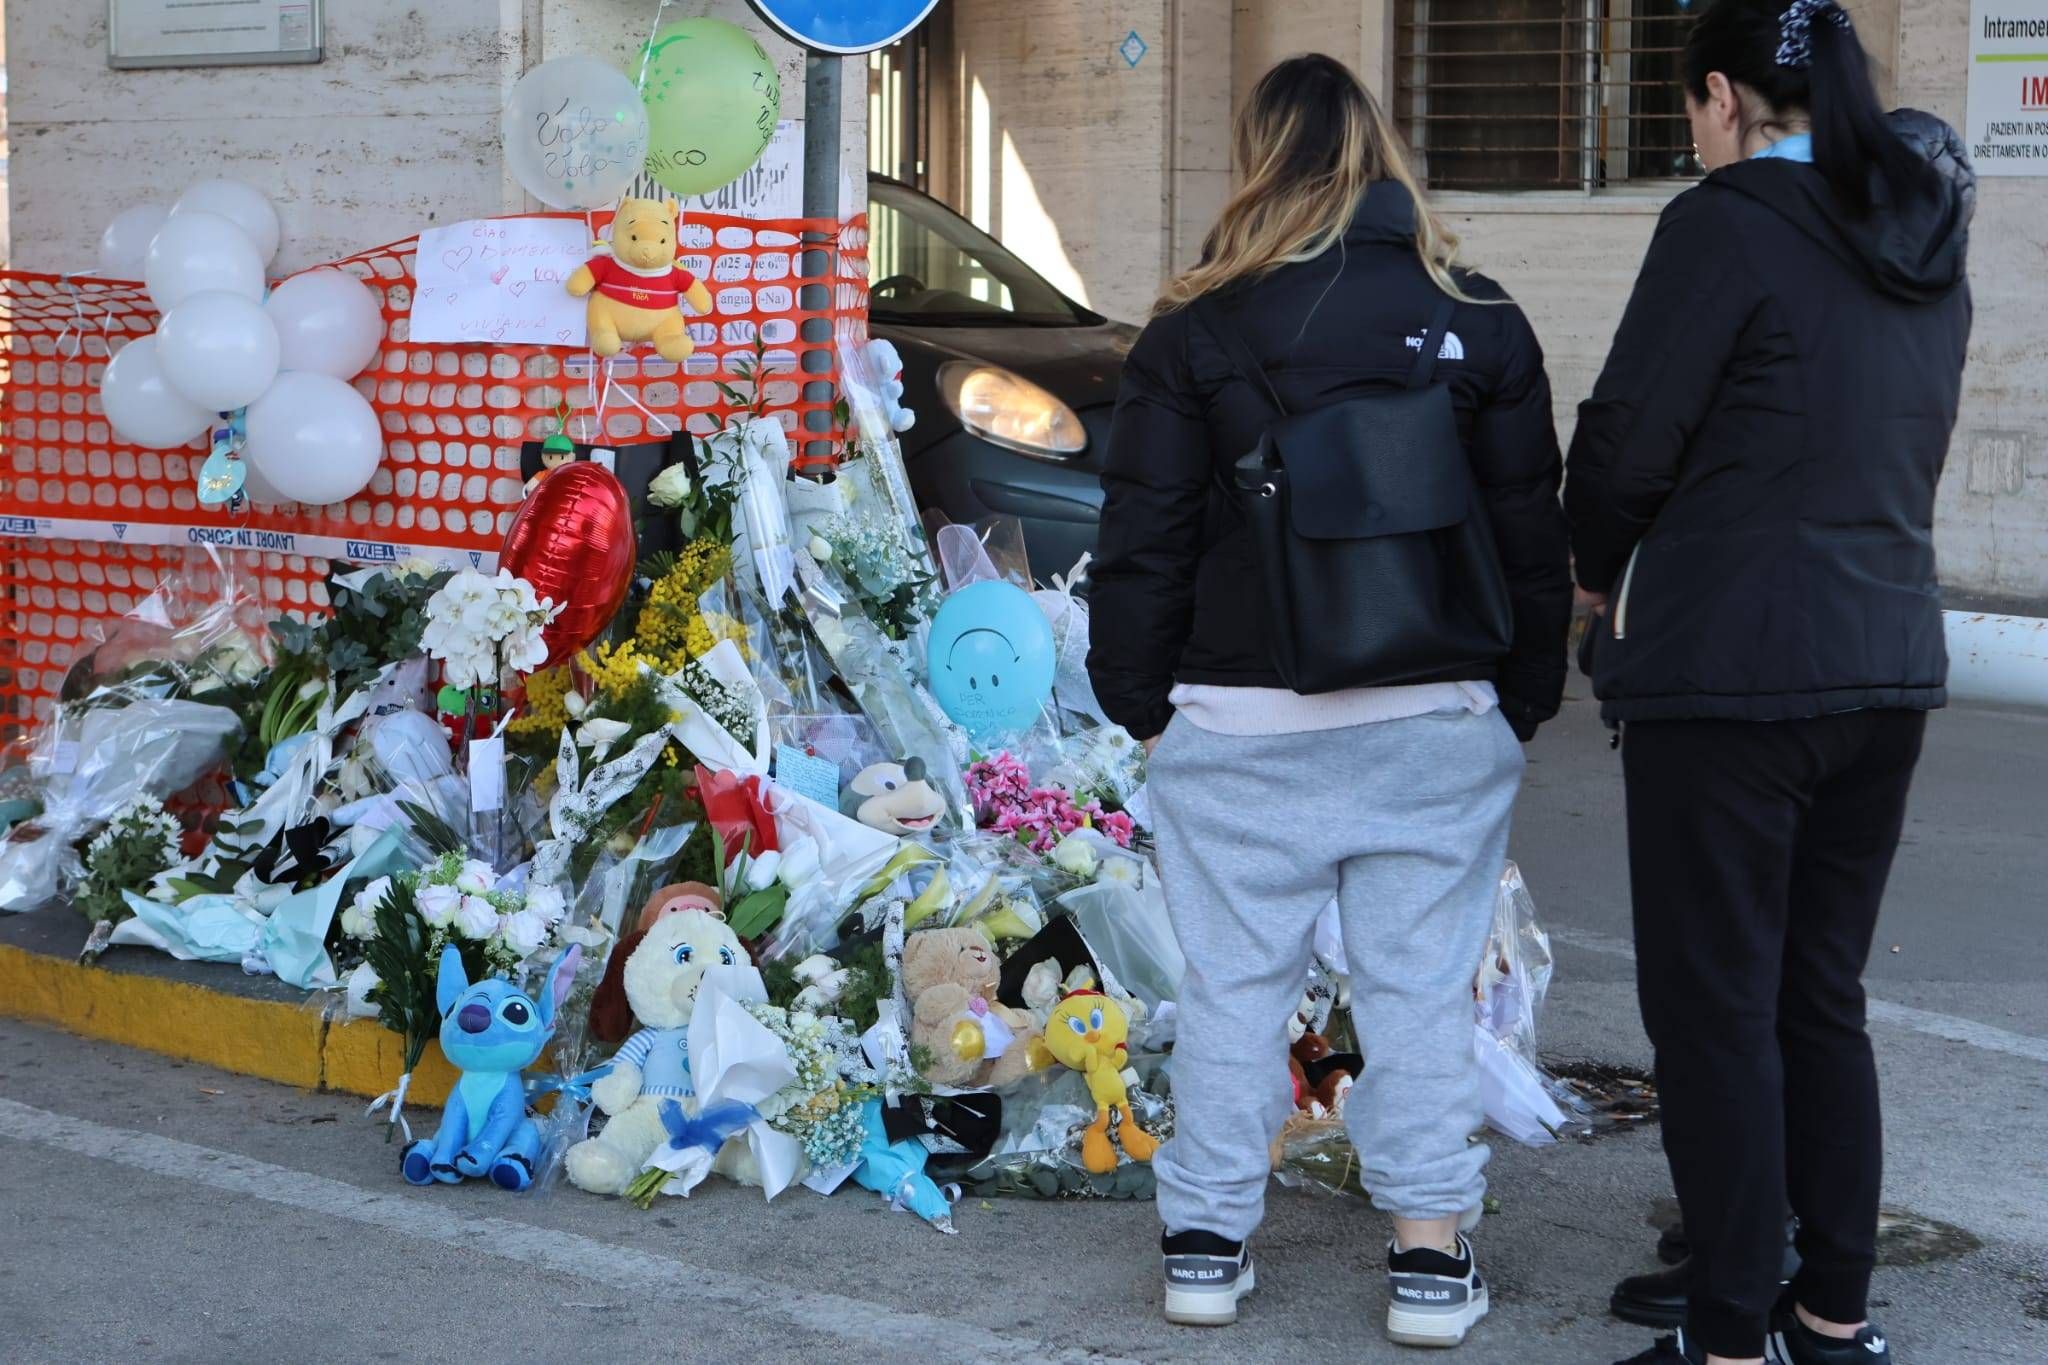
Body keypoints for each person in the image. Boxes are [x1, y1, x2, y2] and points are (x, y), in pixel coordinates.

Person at [1088, 53, 1571, 1350]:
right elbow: (1533, 537)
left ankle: (1205, 1244)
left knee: (1235, 987)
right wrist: (1521, 695)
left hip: (1240, 718)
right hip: (1435, 716)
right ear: (1379, 158)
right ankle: (1426, 1256)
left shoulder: (1196, 328)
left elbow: (1146, 536)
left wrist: (1140, 700)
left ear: (1259, 163)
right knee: (1417, 992)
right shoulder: (1480, 319)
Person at [1563, 0, 1974, 1361]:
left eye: (1686, 110)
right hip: (1884, 660)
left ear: (1730, 98)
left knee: (1718, 1008)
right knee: (1819, 996)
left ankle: (1729, 1335)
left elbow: (1628, 440)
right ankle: (1830, 1319)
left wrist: (1590, 561)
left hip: (1731, 671)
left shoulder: (1726, 225)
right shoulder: (1921, 233)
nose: (1692, 139)